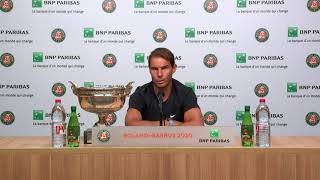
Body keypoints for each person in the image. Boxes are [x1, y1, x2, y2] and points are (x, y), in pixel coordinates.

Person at [125, 47, 203, 126]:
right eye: (155, 69)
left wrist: (168, 124)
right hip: (148, 138)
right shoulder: (140, 93)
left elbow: (197, 125)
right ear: (149, 70)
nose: (159, 74)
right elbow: (130, 124)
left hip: (178, 139)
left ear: (173, 68)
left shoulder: (185, 93)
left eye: (164, 68)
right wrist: (166, 124)